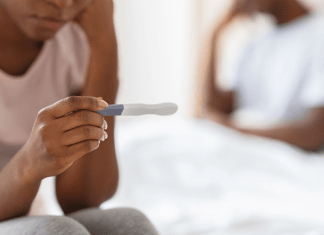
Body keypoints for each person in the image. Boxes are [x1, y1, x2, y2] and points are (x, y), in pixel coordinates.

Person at [0, 0, 159, 234]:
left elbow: (81, 201)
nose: (62, 3)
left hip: (17, 212)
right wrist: (27, 168)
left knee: (131, 225)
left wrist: (104, 42)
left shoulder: (73, 39)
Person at [198, 0, 324, 152]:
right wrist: (215, 35)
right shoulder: (255, 43)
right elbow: (213, 111)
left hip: (280, 157)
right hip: (239, 148)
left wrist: (234, 132)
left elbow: (314, 134)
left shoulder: (318, 34)